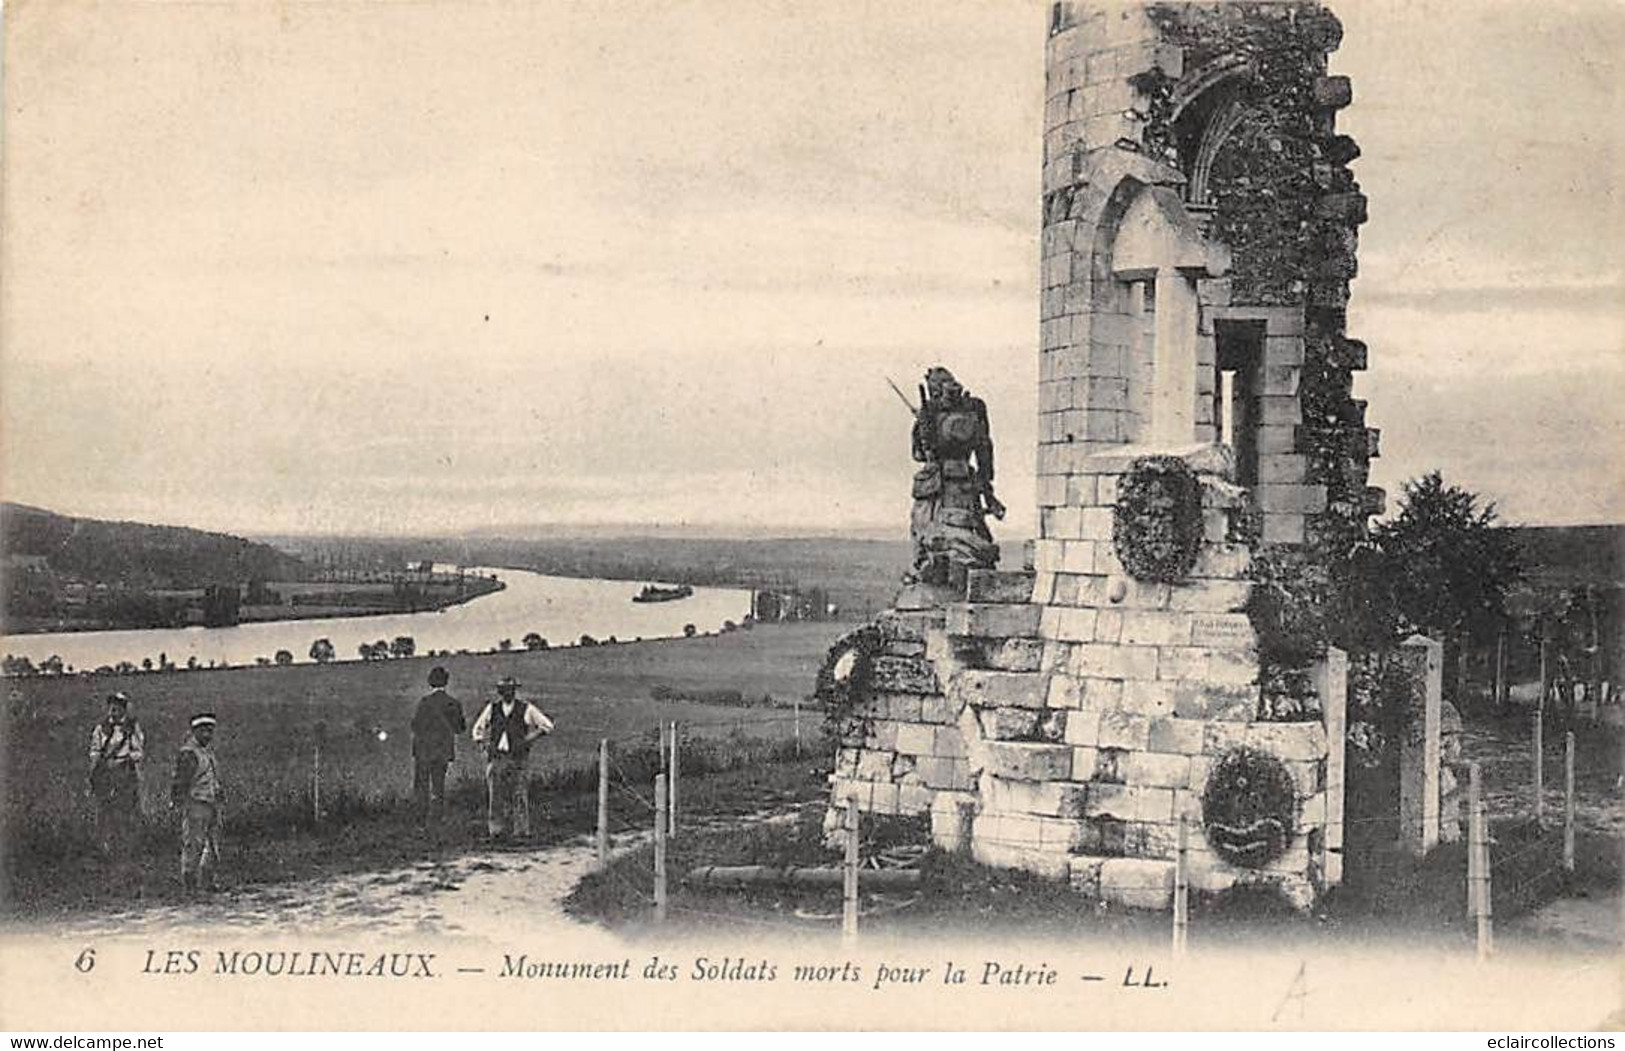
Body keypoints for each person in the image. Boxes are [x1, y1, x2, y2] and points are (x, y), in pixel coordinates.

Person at [907, 366, 1004, 589]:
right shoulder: (975, 408)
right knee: (971, 528)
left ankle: (940, 573)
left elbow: (918, 453)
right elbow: (985, 450)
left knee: (929, 531)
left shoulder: (930, 411)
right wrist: (986, 483)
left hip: (939, 485)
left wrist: (923, 431)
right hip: (966, 482)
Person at [470, 677, 554, 842]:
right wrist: (483, 745)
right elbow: (477, 729)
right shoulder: (492, 709)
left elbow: (547, 725)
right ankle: (496, 831)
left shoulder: (526, 708)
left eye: (510, 689)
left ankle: (521, 832)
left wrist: (530, 738)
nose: (507, 693)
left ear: (514, 691)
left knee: (520, 793)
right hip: (497, 757)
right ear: (500, 692)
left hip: (518, 757)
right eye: (504, 690)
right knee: (495, 795)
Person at [87, 691, 145, 867]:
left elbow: (138, 751)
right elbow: (95, 750)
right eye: (111, 708)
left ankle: (126, 848)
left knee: (126, 810)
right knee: (104, 810)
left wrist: (126, 760)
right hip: (105, 773)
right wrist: (97, 766)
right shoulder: (101, 728)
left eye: (118, 708)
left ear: (124, 709)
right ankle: (104, 849)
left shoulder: (132, 727)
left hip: (124, 772)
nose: (114, 711)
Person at [171, 712, 222, 894]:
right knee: (194, 844)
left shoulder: (207, 752)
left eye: (210, 731)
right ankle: (190, 884)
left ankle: (208, 881)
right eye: (203, 731)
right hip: (196, 804)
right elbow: (180, 782)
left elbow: (213, 776)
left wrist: (218, 793)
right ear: (194, 732)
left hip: (211, 803)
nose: (208, 735)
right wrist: (179, 802)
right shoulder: (188, 754)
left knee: (212, 845)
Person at [411, 665, 466, 823]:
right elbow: (460, 729)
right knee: (438, 786)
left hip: (423, 751)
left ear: (430, 682)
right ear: (446, 682)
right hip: (442, 751)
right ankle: (437, 818)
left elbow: (415, 725)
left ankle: (420, 820)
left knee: (421, 786)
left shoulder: (424, 702)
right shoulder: (453, 703)